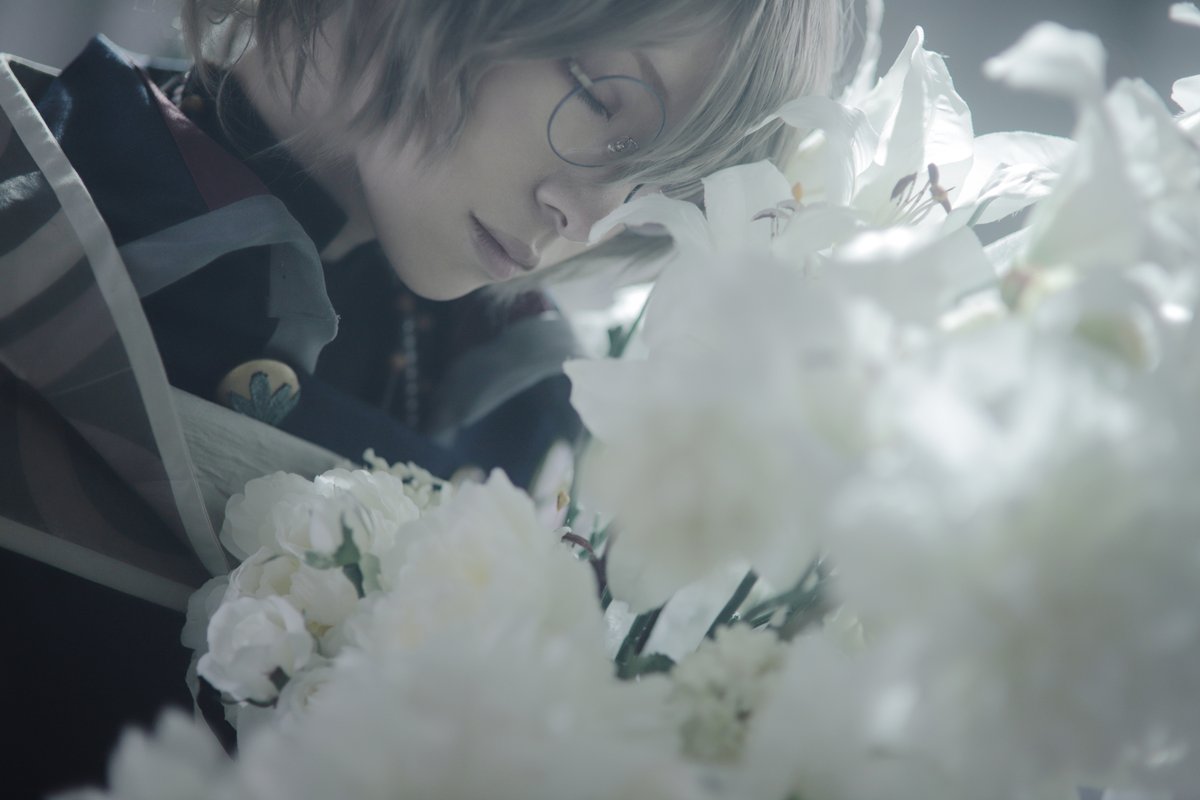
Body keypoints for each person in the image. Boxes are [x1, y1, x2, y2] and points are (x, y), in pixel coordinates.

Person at [0, 0, 848, 795]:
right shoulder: (31, 211)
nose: (590, 217)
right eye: (598, 97)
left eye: (661, 185)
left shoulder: (535, 425)